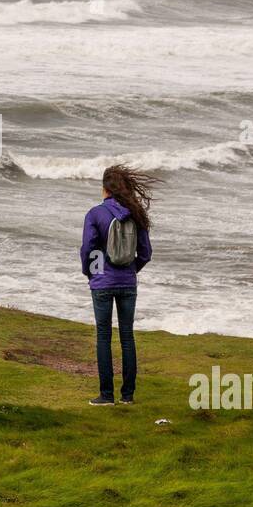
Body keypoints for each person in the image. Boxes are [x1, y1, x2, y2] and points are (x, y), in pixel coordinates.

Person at [79, 164, 156, 405]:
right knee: (127, 337)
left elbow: (88, 249)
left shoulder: (95, 213)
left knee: (103, 336)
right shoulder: (135, 213)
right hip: (127, 282)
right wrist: (131, 271)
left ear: (105, 189)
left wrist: (91, 273)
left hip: (102, 280)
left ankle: (106, 395)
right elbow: (145, 253)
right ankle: (128, 396)